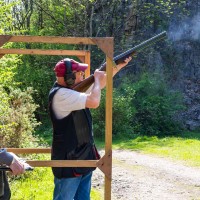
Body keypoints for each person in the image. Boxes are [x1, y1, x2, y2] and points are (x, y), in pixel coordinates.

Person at [49, 57, 132, 200]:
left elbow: (101, 84)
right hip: (68, 163)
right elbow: (94, 101)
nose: (83, 75)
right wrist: (97, 80)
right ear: (69, 77)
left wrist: (118, 66)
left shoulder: (72, 91)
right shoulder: (61, 95)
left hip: (83, 158)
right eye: (79, 73)